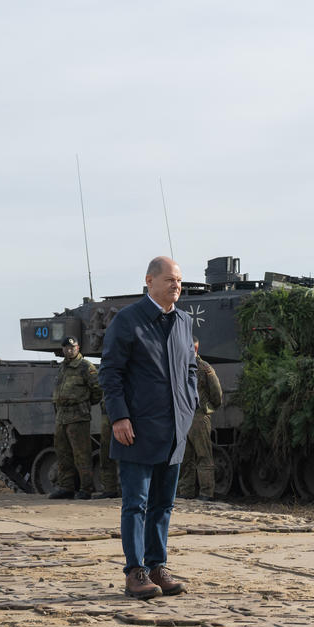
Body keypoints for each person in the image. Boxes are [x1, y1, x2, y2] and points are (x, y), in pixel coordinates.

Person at [99, 256, 198, 600]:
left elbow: (190, 368)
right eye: (170, 279)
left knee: (163, 505)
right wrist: (119, 417)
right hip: (137, 428)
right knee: (136, 504)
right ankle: (135, 571)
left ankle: (158, 566)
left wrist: (189, 406)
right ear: (149, 280)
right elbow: (110, 372)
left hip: (173, 429)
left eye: (180, 281)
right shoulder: (128, 320)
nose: (177, 285)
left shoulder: (183, 321)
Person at [50, 336, 102, 500]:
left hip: (78, 416)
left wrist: (84, 403)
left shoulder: (86, 367)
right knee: (63, 453)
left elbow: (97, 390)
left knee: (81, 454)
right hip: (61, 416)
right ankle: (66, 487)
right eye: (66, 347)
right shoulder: (63, 367)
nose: (69, 350)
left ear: (78, 348)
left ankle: (86, 488)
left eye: (72, 347)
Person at [178, 337, 223, 500]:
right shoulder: (204, 368)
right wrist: (209, 408)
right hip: (195, 415)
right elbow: (216, 395)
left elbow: (217, 395)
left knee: (191, 458)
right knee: (193, 457)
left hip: (189, 416)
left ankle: (192, 493)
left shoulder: (181, 367)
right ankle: (199, 493)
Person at [92, 399, 120, 499]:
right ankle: (109, 489)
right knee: (105, 452)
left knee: (127, 454)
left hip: (126, 412)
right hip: (107, 412)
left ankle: (126, 489)